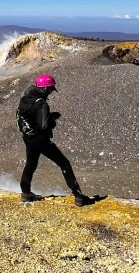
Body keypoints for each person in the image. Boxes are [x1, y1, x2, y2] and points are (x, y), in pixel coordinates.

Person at [17, 74, 91, 206]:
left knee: (30, 164)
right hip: (41, 140)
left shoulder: (25, 100)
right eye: (50, 89)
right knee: (64, 164)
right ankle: (79, 196)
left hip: (28, 138)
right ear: (44, 89)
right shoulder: (41, 104)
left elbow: (30, 118)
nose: (51, 92)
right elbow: (44, 125)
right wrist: (52, 119)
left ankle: (26, 194)